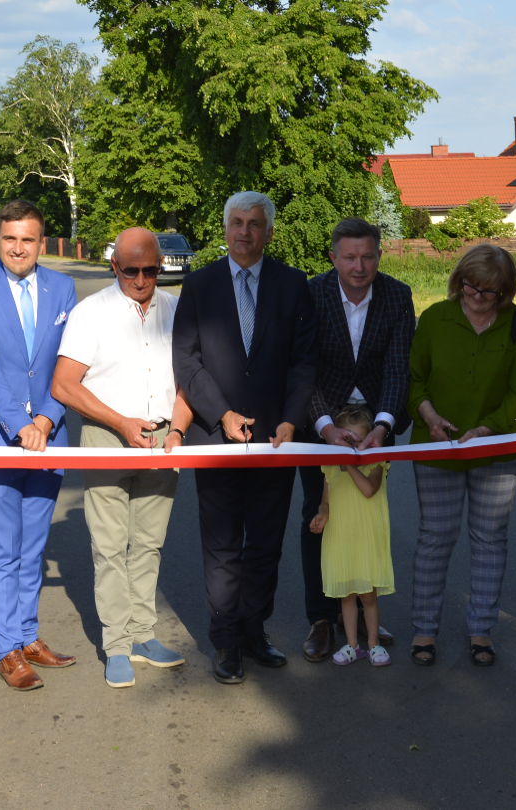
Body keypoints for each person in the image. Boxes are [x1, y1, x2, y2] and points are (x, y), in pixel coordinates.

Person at [173, 190, 318, 685]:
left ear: (269, 232)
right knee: (222, 546)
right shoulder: (200, 285)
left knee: (266, 544)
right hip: (217, 438)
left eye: (254, 224)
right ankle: (227, 640)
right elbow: (187, 361)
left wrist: (292, 419)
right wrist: (222, 414)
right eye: (236, 222)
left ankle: (256, 631)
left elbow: (303, 363)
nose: (245, 232)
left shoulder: (294, 285)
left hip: (277, 441)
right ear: (226, 227)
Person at [52, 227, 194, 688]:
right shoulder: (90, 313)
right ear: (114, 265)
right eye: (130, 270)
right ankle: (116, 645)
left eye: (150, 270)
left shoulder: (176, 309)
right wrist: (121, 424)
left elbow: (192, 378)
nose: (140, 279)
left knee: (149, 543)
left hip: (161, 439)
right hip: (108, 438)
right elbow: (64, 385)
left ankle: (142, 635)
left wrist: (177, 429)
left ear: (161, 267)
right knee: (110, 547)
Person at [0, 200, 79, 691]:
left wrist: (48, 419)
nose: (18, 248)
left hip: (50, 435)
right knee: (3, 544)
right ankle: (5, 648)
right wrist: (19, 424)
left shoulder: (64, 287)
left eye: (27, 240)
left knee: (33, 544)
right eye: (10, 238)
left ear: (40, 242)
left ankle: (28, 636)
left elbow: (68, 362)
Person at [404, 243, 516, 668]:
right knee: (435, 539)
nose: (477, 298)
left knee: (490, 540)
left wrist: (487, 430)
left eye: (489, 292)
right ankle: (424, 630)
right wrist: (429, 415)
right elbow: (413, 379)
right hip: (437, 446)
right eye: (470, 287)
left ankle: (481, 629)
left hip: (496, 448)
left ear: (507, 290)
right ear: (458, 280)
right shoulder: (435, 319)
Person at [298, 217, 413, 662]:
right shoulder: (312, 293)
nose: (359, 266)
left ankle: (365, 617)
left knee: (365, 518)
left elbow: (399, 369)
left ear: (379, 256)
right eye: (350, 257)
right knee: (320, 516)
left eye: (368, 256)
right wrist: (326, 428)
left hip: (374, 425)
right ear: (333, 258)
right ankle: (322, 621)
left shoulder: (398, 296)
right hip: (320, 421)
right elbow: (303, 369)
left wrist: (382, 428)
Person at [309, 405, 395, 667]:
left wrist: (349, 464)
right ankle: (352, 645)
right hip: (342, 539)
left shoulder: (377, 462)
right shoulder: (331, 466)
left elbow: (369, 490)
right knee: (346, 596)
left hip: (366, 539)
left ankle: (373, 644)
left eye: (358, 441)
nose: (353, 448)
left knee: (368, 597)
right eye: (348, 441)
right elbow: (326, 501)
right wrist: (322, 514)